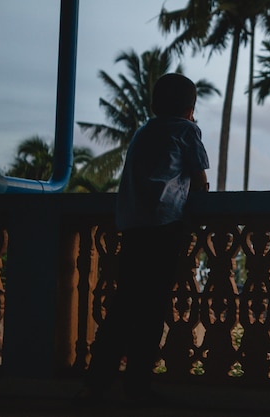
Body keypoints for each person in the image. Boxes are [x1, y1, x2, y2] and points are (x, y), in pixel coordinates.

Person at [76, 73, 210, 404]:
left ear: (153, 105)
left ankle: (97, 383)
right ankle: (137, 385)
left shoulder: (143, 132)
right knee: (151, 310)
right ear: (191, 109)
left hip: (133, 227)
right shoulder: (187, 130)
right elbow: (200, 181)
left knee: (123, 307)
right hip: (164, 227)